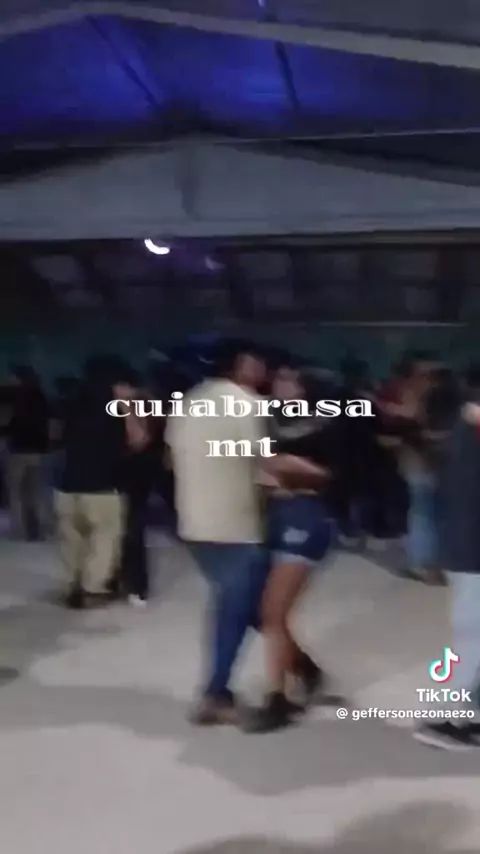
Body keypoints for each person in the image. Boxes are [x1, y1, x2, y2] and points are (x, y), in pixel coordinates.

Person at [165, 340, 271, 725]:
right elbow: (263, 466)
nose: (263, 371)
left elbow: (170, 458)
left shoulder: (188, 402)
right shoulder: (247, 404)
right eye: (258, 364)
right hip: (236, 524)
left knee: (246, 604)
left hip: (194, 522)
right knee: (236, 609)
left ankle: (302, 669)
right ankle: (215, 693)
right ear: (243, 367)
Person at [244, 366, 340, 733]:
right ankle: (304, 668)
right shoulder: (269, 420)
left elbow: (331, 475)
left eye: (288, 380)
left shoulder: (324, 424)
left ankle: (279, 699)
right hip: (276, 516)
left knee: (272, 612)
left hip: (306, 517)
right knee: (264, 612)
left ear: (305, 388)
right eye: (278, 379)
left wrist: (287, 468)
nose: (279, 384)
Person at [414, 366, 480, 749]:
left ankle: (463, 715)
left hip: (464, 551)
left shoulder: (461, 433)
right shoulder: (467, 433)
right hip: (471, 553)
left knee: (472, 638)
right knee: (472, 640)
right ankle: (442, 719)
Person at [55, 356, 148, 609]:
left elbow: (56, 435)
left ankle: (71, 585)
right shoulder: (116, 405)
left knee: (72, 540)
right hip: (102, 486)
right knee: (104, 538)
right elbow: (138, 440)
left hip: (66, 484)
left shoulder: (72, 400)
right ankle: (92, 588)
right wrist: (127, 408)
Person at [6, 365, 50, 540]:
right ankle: (36, 529)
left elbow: (10, 424)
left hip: (18, 450)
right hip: (38, 451)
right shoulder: (41, 397)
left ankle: (20, 530)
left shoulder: (14, 398)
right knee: (35, 492)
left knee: (16, 492)